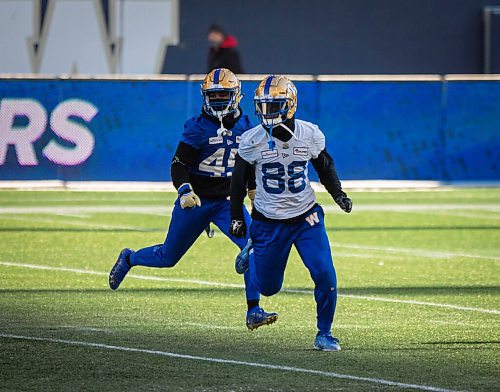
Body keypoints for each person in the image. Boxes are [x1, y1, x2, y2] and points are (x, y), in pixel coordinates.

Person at [109, 68, 277, 330]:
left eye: (224, 94)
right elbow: (178, 164)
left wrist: (254, 189)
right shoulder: (197, 127)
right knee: (168, 256)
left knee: (254, 247)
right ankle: (129, 258)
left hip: (226, 203)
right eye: (214, 95)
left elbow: (251, 164)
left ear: (237, 96)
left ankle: (253, 310)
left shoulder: (247, 127)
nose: (219, 100)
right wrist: (185, 190)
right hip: (196, 201)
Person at [229, 75, 352, 351]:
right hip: (268, 221)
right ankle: (253, 252)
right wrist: (236, 216)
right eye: (263, 106)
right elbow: (237, 182)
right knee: (269, 287)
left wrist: (338, 195)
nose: (266, 112)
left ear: (291, 104)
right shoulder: (252, 139)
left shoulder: (309, 133)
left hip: (306, 217)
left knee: (325, 274)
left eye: (274, 106)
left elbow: (325, 167)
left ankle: (325, 333)